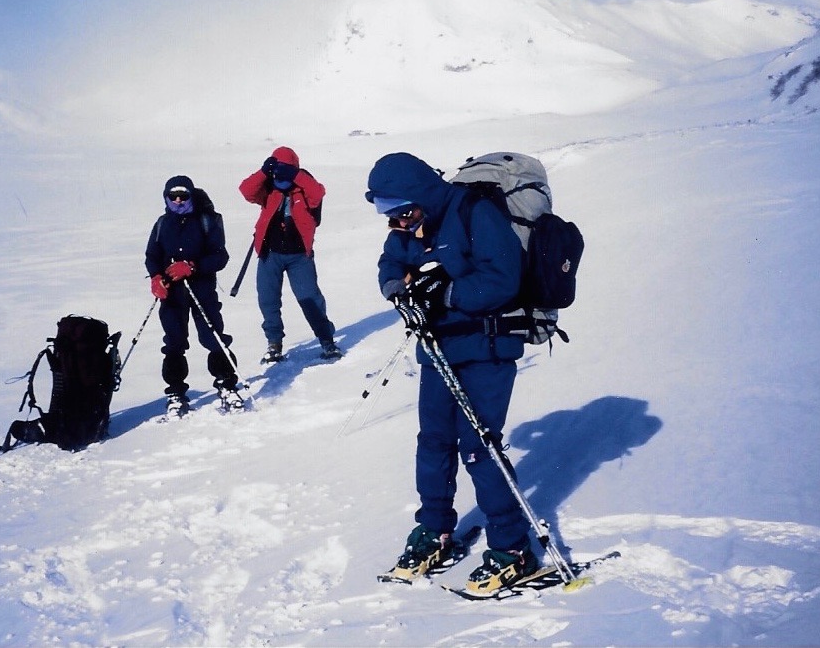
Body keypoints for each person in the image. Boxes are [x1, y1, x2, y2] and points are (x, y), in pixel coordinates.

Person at [365, 151, 538, 592]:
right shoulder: (409, 226)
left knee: (478, 445)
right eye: (388, 214)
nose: (398, 222)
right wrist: (395, 287)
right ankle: (435, 530)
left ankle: (511, 547)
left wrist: (443, 292)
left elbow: (503, 279)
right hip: (438, 347)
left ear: (421, 194)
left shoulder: (473, 213)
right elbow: (392, 261)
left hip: (487, 345)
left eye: (402, 210)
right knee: (434, 441)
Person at [145, 175, 242, 416]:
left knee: (214, 338)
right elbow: (152, 255)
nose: (178, 201)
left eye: (184, 196)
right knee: (174, 342)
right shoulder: (161, 224)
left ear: (191, 195)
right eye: (173, 197)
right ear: (166, 198)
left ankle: (227, 384)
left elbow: (220, 256)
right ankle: (176, 392)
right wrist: (156, 277)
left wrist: (192, 266)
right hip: (172, 292)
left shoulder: (207, 220)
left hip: (201, 289)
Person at [239, 146, 340, 363]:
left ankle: (327, 340)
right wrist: (264, 172)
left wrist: (296, 175)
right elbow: (246, 191)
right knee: (268, 301)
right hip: (270, 253)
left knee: (310, 299)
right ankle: (274, 343)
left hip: (299, 256)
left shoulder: (304, 188)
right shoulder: (268, 188)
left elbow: (318, 193)